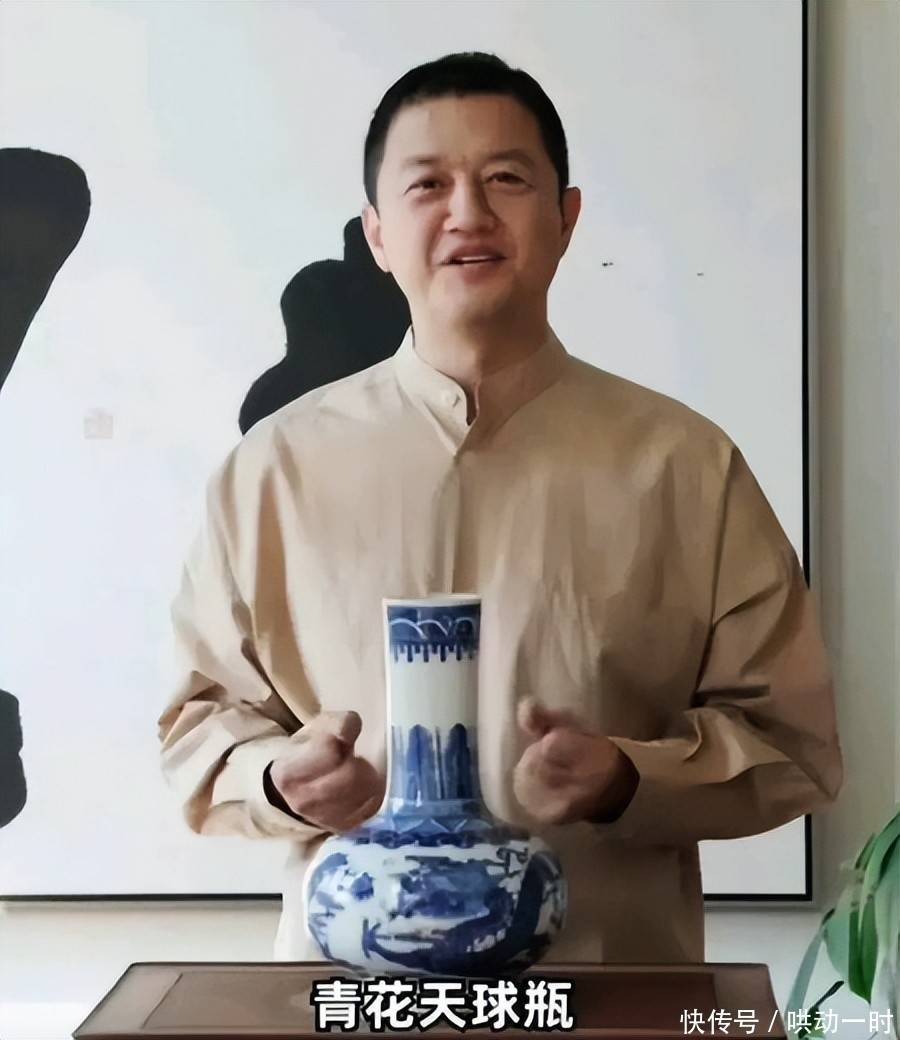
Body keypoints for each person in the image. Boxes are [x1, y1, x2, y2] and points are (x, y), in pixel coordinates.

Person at [158, 52, 843, 963]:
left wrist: (627, 777)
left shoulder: (686, 464)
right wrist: (279, 780)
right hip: (350, 997)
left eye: (506, 179)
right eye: (427, 184)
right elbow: (198, 728)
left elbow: (789, 744)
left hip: (610, 986)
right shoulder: (271, 470)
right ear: (377, 234)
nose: (468, 213)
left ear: (567, 219)